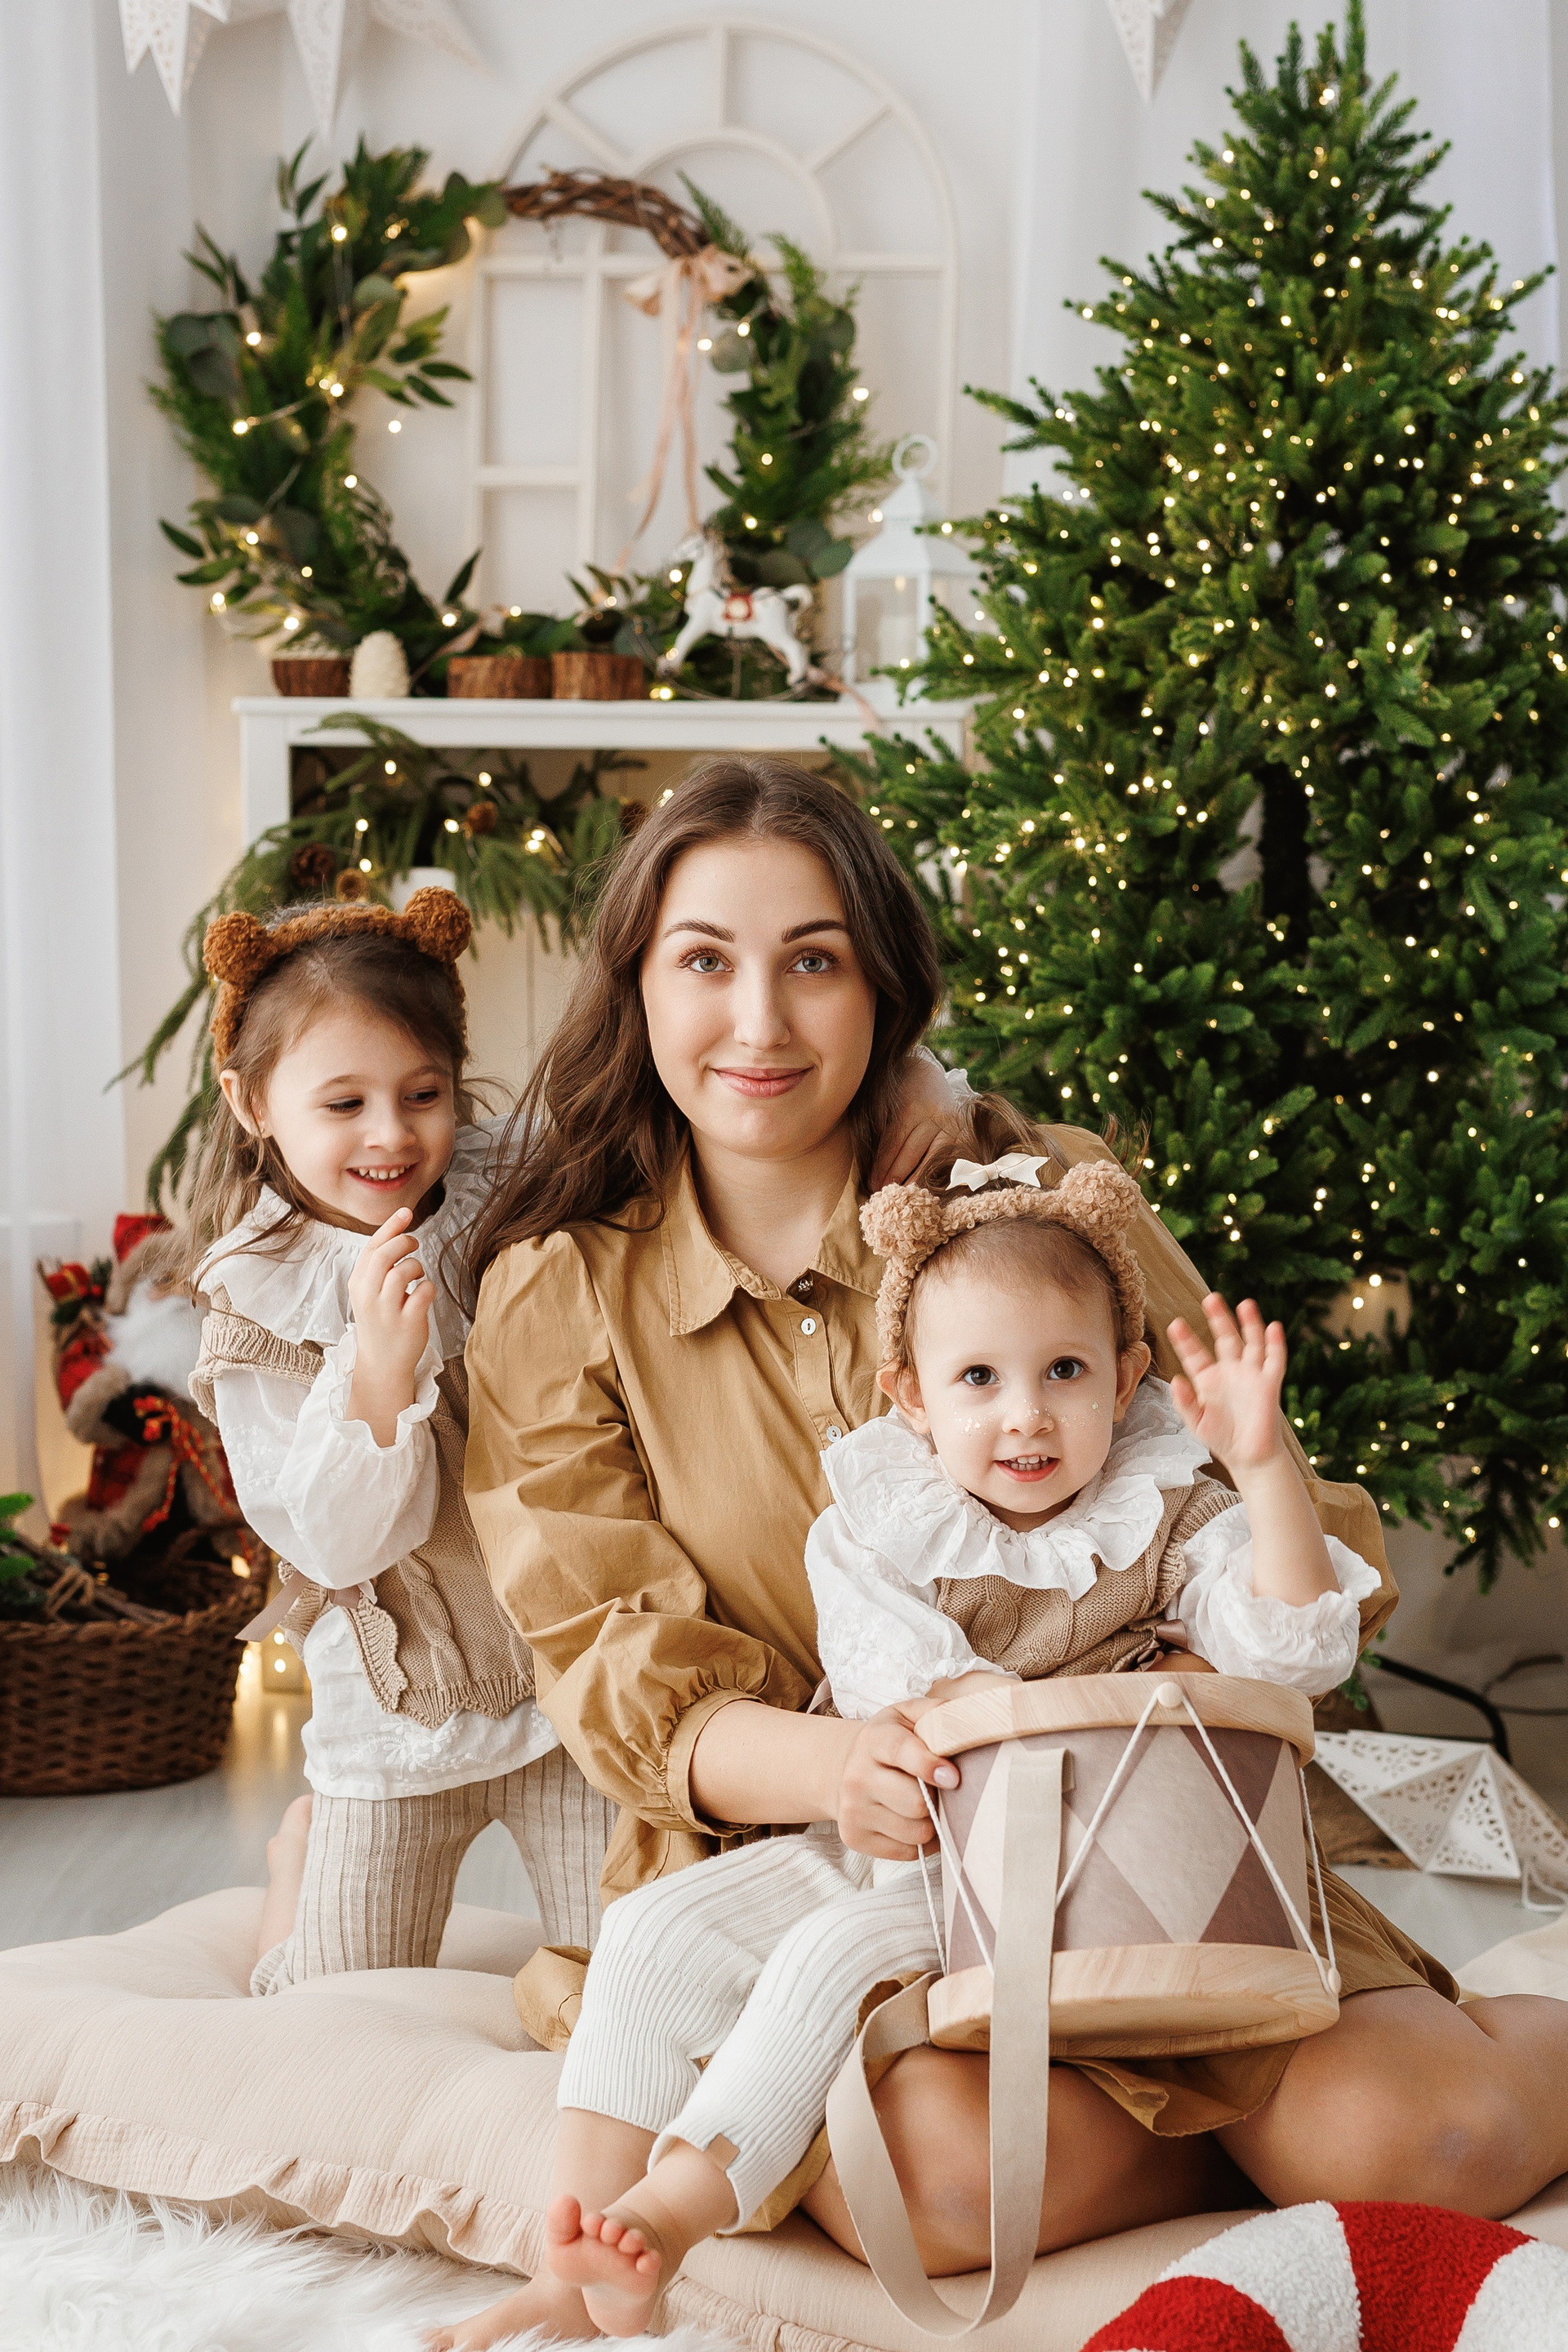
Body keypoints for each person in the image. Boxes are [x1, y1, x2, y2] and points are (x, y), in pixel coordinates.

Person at [434, 757, 1568, 2350]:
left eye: (813, 960)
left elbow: (1280, 1510)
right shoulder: (563, 1291)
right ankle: (1218, 2153)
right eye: (704, 960)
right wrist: (847, 1769)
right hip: (840, 1866)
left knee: (1426, 2145)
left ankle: (1331, 2102)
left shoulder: (1046, 1207)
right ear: (636, 985)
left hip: (1152, 1836)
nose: (758, 1021)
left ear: (881, 987)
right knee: (944, 2186)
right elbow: (614, 1666)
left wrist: (1160, 1688)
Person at [510, 1136, 1388, 2337]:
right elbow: (912, 1691)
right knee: (654, 1928)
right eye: (978, 1378)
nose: (1025, 1417)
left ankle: (666, 2219)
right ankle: (564, 2275)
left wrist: (1264, 1466)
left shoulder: (1168, 1512)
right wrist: (888, 1759)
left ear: (1126, 1376)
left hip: (1068, 1864)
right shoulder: (884, 1523)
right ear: (912, 1395)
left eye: (1065, 1370)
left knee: (830, 1959)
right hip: (909, 1833)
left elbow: (1291, 1647)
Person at [176, 889, 617, 1987]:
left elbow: (646, 1140)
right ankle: (298, 1874)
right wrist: (377, 1367)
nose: (391, 1134)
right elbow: (338, 1547)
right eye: (344, 1103)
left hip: (565, 1691)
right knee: (332, 2006)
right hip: (393, 1721)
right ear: (252, 1102)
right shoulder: (260, 1300)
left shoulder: (504, 1191)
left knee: (637, 1971)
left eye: (424, 1095)